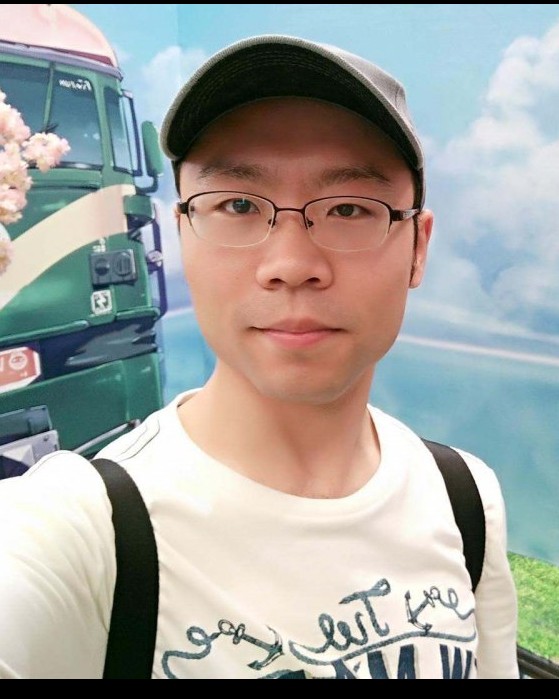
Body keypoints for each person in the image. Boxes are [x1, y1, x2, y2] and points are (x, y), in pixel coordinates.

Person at [0, 34, 518, 680]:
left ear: (417, 247)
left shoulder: (464, 497)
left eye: (349, 208)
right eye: (238, 205)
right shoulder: (79, 531)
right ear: (182, 233)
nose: (291, 264)